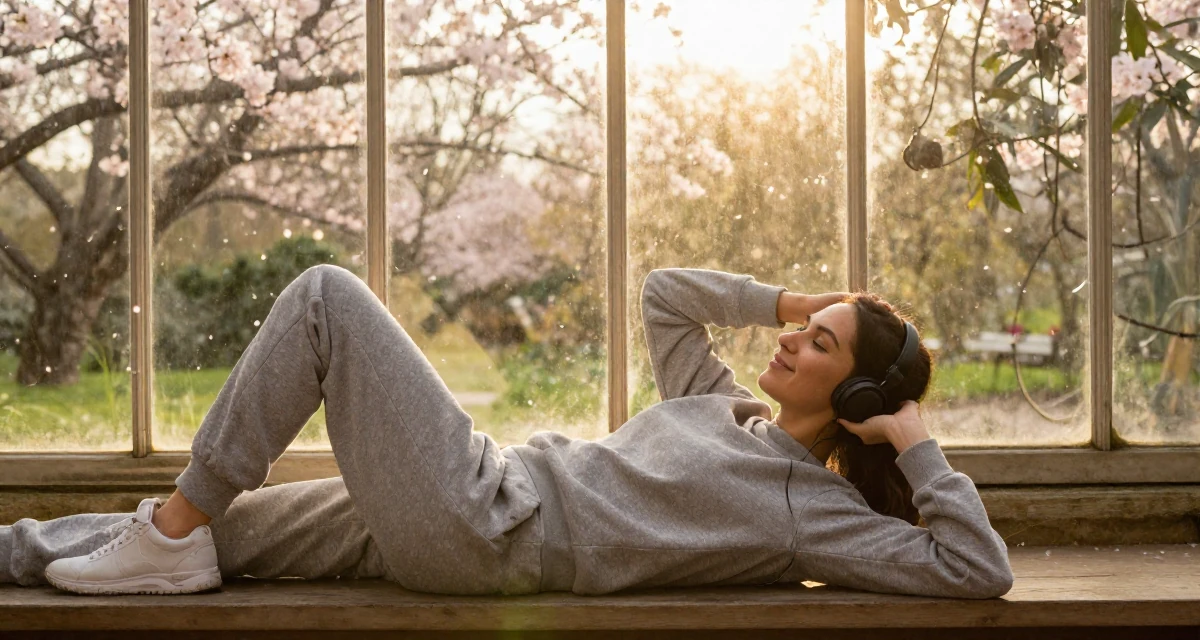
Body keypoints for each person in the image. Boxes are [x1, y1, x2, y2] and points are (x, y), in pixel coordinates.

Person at [0, 265, 1013, 598]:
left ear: (855, 401)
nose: (792, 337)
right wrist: (800, 293)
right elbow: (664, 294)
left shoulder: (812, 509)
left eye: (821, 344)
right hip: (478, 492)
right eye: (802, 327)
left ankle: (170, 532)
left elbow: (976, 568)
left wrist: (911, 437)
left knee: (326, 300)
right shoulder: (722, 402)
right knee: (231, 533)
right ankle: (67, 547)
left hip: (494, 527)